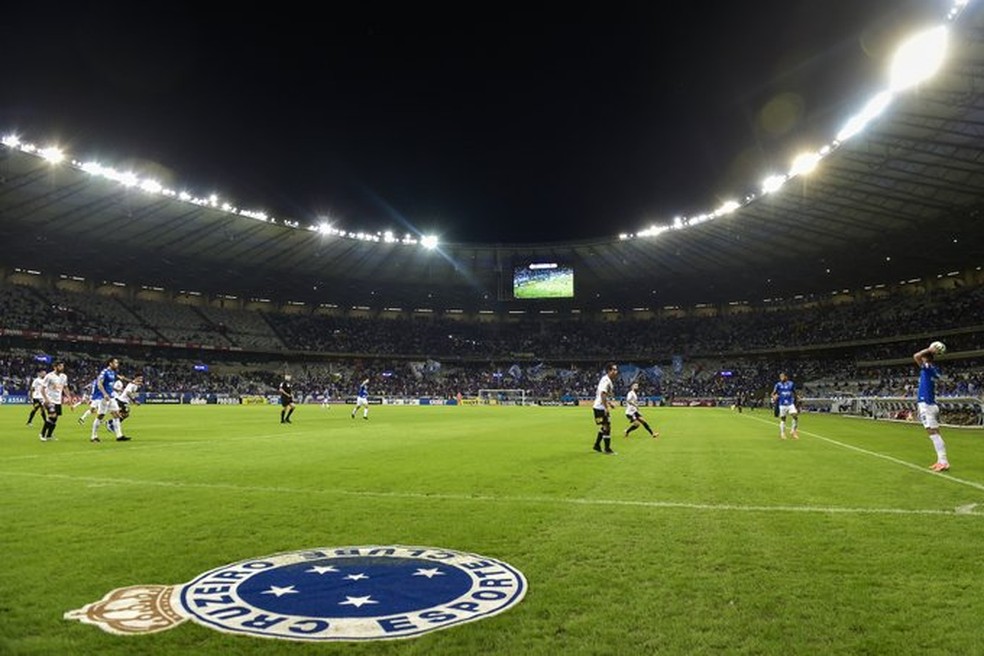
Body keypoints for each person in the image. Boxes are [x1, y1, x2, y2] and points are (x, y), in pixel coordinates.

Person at [914, 343, 949, 472]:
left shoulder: (927, 367)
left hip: (926, 404)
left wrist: (929, 350)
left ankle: (943, 462)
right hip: (931, 404)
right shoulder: (934, 370)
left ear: (925, 358)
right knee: (936, 433)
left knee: (933, 434)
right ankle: (941, 461)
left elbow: (916, 356)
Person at [89, 357, 131, 443]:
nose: (117, 364)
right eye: (115, 363)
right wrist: (104, 394)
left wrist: (132, 381)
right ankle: (93, 436)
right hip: (104, 397)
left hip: (111, 397)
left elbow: (121, 377)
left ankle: (119, 436)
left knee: (116, 414)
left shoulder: (113, 372)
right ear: (110, 363)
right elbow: (99, 384)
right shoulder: (104, 372)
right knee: (100, 416)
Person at [592, 362, 619, 454]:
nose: (616, 371)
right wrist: (606, 407)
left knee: (605, 426)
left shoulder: (607, 380)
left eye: (616, 369)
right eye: (614, 369)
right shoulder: (606, 381)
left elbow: (603, 395)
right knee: (607, 427)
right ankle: (607, 449)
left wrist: (609, 403)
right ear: (609, 371)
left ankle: (597, 445)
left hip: (600, 406)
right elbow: (602, 394)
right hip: (600, 408)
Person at [39, 361, 69, 442]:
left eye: (62, 366)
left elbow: (65, 387)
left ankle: (49, 435)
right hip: (50, 400)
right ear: (55, 367)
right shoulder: (49, 376)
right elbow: (42, 389)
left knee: (55, 419)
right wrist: (46, 399)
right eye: (60, 366)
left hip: (58, 400)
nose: (62, 368)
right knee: (52, 416)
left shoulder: (64, 376)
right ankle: (42, 434)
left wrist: (69, 397)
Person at [771, 372, 799, 439]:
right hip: (782, 404)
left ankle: (793, 431)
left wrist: (797, 396)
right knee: (783, 419)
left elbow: (794, 391)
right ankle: (782, 433)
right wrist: (774, 397)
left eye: (782, 376)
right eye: (780, 377)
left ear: (786, 377)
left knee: (795, 416)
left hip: (790, 403)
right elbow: (773, 393)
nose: (781, 378)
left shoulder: (791, 383)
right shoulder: (778, 385)